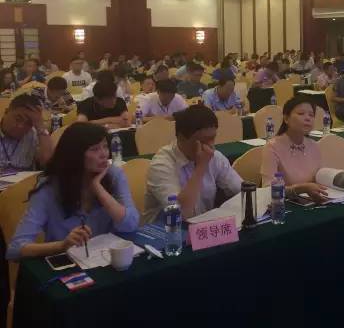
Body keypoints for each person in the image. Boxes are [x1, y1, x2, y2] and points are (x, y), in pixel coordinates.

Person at [6, 123, 139, 260]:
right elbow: (15, 249)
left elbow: (131, 225)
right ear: (75, 155)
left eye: (105, 146)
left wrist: (98, 188)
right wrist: (63, 245)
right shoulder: (49, 189)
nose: (104, 154)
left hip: (107, 259)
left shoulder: (114, 175)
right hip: (67, 262)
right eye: (94, 149)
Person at [143, 105, 242, 223]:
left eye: (213, 138)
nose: (211, 146)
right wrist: (201, 167)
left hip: (201, 226)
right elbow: (181, 214)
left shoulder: (214, 157)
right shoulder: (161, 165)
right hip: (166, 229)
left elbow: (242, 190)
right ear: (181, 137)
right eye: (203, 141)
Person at [260, 97, 328, 203]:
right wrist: (300, 189)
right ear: (286, 119)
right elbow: (267, 190)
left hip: (311, 201)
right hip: (284, 205)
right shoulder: (272, 147)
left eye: (311, 115)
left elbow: (319, 178)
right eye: (301, 114)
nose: (307, 118)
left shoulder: (314, 145)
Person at [0, 94, 54, 171]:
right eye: (18, 119)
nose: (20, 126)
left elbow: (48, 162)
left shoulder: (33, 135)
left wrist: (40, 126)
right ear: (6, 112)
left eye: (28, 123)